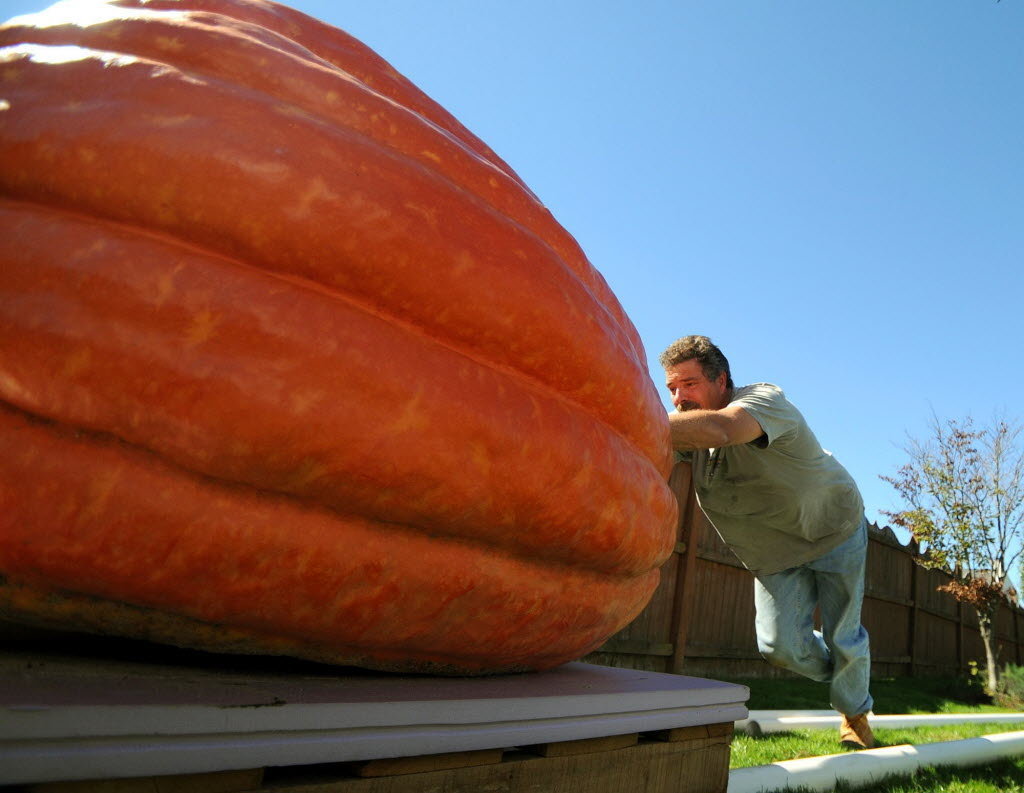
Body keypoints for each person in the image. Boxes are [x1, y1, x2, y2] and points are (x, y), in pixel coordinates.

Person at [660, 335, 875, 749]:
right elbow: (653, 455)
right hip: (773, 554)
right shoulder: (690, 434)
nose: (678, 398)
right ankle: (850, 672)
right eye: (671, 389)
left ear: (721, 380)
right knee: (779, 647)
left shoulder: (762, 399)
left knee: (843, 633)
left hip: (833, 528)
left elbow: (723, 429)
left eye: (688, 384)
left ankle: (855, 714)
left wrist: (633, 415)